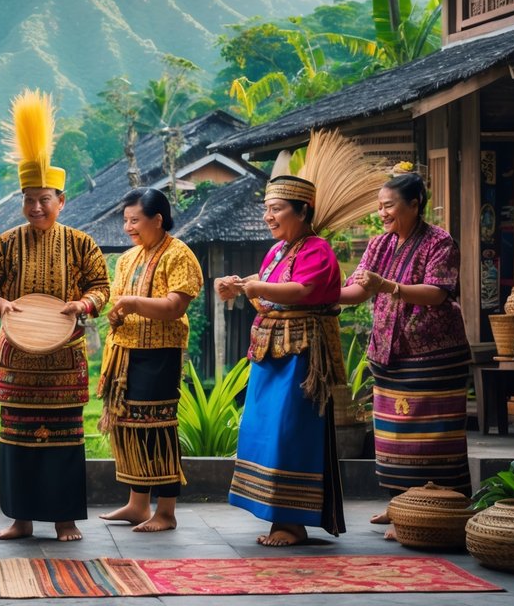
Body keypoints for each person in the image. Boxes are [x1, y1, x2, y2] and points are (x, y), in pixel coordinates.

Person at [216, 131, 383, 546]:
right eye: (266, 209)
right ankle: (274, 515)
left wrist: (256, 289)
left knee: (290, 430)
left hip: (302, 359)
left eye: (275, 209)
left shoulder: (317, 249)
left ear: (302, 210)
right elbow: (269, 292)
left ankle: (291, 521)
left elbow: (303, 292)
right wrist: (239, 288)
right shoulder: (276, 252)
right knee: (262, 429)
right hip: (270, 354)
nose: (268, 217)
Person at [0, 90, 111, 543]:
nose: (36, 206)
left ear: (62, 199)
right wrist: (2, 306)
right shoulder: (3, 243)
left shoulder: (81, 244)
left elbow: (102, 288)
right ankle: (20, 518)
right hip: (17, 360)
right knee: (16, 445)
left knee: (65, 444)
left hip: (64, 363)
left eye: (45, 198)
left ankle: (65, 519)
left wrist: (82, 305)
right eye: (29, 198)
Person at [338, 168, 471, 535]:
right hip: (389, 352)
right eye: (380, 207)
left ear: (415, 205)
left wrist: (389, 285)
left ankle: (436, 510)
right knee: (393, 437)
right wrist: (315, 294)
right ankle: (399, 507)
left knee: (431, 438)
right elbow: (359, 289)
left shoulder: (439, 242)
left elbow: (437, 292)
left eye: (389, 206)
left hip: (434, 355)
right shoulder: (380, 244)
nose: (382, 213)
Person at [97, 188, 202, 533]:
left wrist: (132, 303)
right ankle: (137, 504)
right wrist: (117, 313)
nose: (129, 227)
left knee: (156, 427)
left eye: (135, 220)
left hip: (159, 355)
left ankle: (166, 512)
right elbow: (118, 303)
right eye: (125, 220)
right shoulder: (127, 258)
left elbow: (175, 306)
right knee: (128, 426)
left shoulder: (178, 254)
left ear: (158, 219)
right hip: (125, 354)